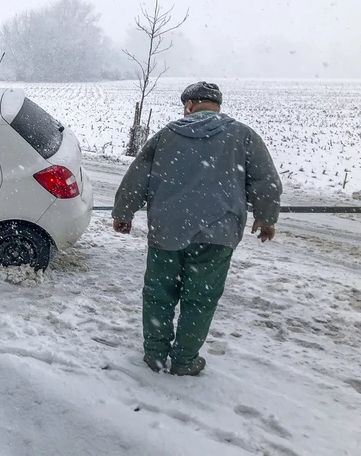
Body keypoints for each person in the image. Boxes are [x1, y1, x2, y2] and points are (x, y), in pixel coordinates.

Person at [112, 82, 282, 376]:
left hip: (168, 231)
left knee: (159, 294)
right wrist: (266, 217)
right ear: (216, 105)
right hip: (219, 233)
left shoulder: (167, 135)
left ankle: (155, 355)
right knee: (200, 299)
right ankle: (184, 360)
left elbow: (137, 176)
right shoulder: (243, 135)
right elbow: (265, 181)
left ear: (189, 104)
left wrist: (124, 213)